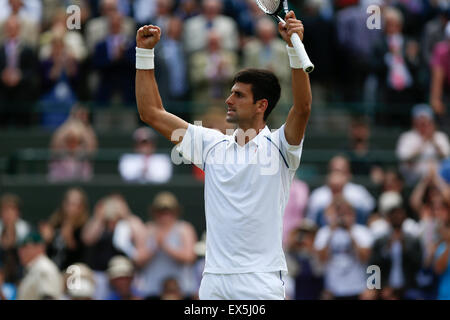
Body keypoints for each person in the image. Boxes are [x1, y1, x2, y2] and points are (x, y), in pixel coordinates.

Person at [135, 10, 312, 299]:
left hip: (260, 283)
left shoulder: (281, 146)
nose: (228, 100)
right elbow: (151, 113)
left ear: (261, 105)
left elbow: (302, 108)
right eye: (231, 93)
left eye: (239, 95)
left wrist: (293, 47)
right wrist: (144, 54)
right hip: (214, 282)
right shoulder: (210, 145)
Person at [132, 192, 197, 299]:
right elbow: (138, 260)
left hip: (181, 290)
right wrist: (154, 248)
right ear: (154, 212)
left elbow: (190, 257)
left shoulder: (184, 229)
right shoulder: (147, 229)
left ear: (176, 211)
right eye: (161, 211)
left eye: (169, 211)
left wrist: (166, 247)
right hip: (152, 290)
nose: (165, 215)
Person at [314, 196, 373, 300]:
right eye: (340, 213)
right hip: (333, 289)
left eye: (347, 213)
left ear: (353, 214)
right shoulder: (324, 232)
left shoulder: (362, 232)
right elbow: (321, 259)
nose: (343, 217)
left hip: (358, 287)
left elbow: (365, 258)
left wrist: (350, 232)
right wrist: (332, 231)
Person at [369, 200, 423, 300]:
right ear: (389, 218)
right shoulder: (380, 241)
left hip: (408, 288)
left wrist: (404, 247)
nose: (397, 217)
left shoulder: (413, 241)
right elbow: (373, 265)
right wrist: (375, 287)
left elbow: (418, 264)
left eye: (400, 214)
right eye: (394, 214)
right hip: (385, 289)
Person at [306, 155, 375, 227]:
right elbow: (311, 220)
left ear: (349, 174)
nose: (337, 175)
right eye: (334, 171)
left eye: (341, 172)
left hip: (355, 232)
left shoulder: (359, 192)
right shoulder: (318, 195)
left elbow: (370, 214)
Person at [396, 104, 450, 186]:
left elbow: (446, 157)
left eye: (426, 120)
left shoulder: (440, 136)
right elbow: (404, 158)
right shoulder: (407, 137)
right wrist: (423, 143)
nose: (423, 123)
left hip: (440, 179)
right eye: (420, 120)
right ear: (414, 121)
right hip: (415, 179)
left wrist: (433, 141)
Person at [40, 187, 89, 270]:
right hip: (52, 269)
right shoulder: (54, 223)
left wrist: (69, 240)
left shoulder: (85, 227)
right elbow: (46, 252)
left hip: (73, 271)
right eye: (68, 203)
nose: (70, 207)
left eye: (74, 204)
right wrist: (46, 241)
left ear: (82, 207)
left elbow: (81, 256)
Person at [16, 231, 63, 300]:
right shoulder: (34, 267)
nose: (20, 252)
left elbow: (48, 297)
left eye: (26, 247)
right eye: (20, 248)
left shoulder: (44, 268)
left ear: (40, 247)